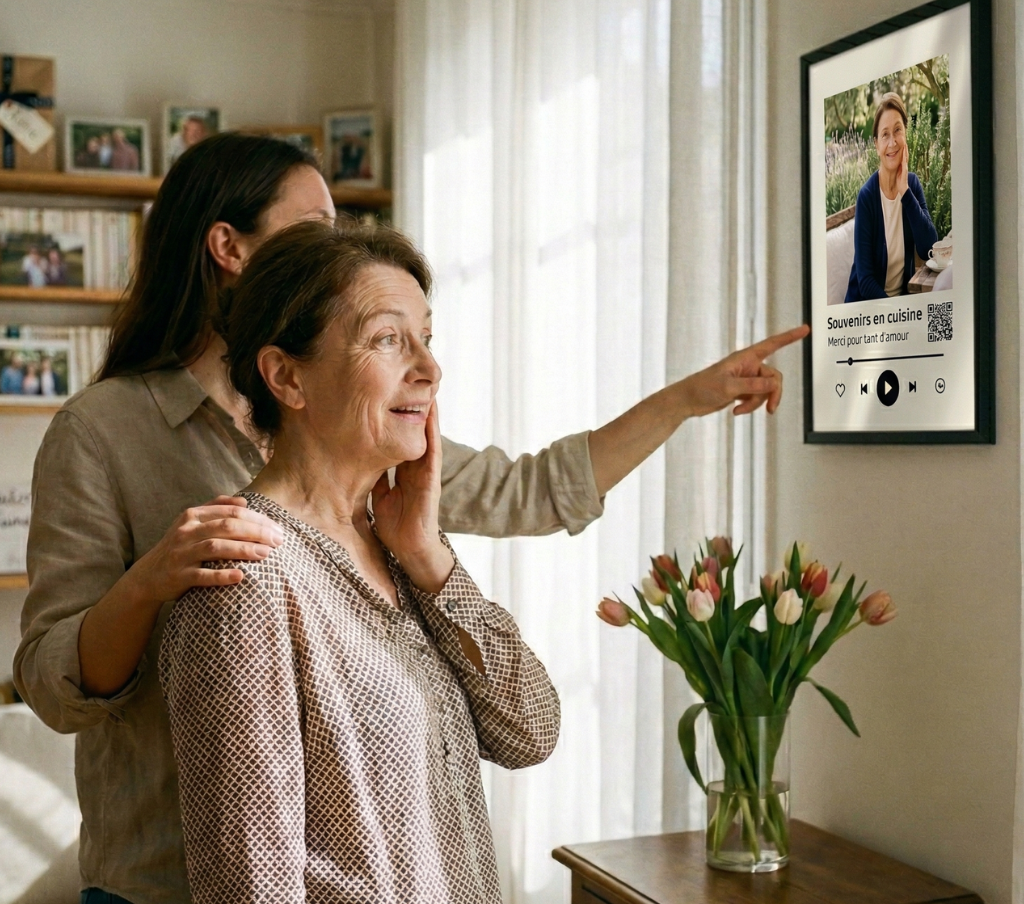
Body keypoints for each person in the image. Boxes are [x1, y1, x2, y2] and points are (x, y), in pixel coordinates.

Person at [15, 133, 805, 904]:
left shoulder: (383, 470)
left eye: (424, 339)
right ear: (230, 250)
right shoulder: (113, 440)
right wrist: (151, 581)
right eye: (317, 231)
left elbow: (528, 503)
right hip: (160, 872)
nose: (428, 368)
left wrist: (686, 399)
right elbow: (51, 682)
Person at [161, 222, 559, 903]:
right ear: (287, 376)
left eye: (426, 339)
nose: (429, 370)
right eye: (387, 339)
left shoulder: (400, 552)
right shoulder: (245, 582)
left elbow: (531, 731)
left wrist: (433, 560)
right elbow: (249, 887)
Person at [845, 92, 938, 302]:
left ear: (906, 134)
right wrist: (896, 315)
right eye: (885, 134)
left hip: (897, 310)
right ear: (876, 145)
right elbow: (866, 281)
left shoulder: (912, 185)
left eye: (898, 130)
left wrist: (904, 191)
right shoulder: (867, 197)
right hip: (865, 311)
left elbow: (929, 248)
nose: (892, 142)